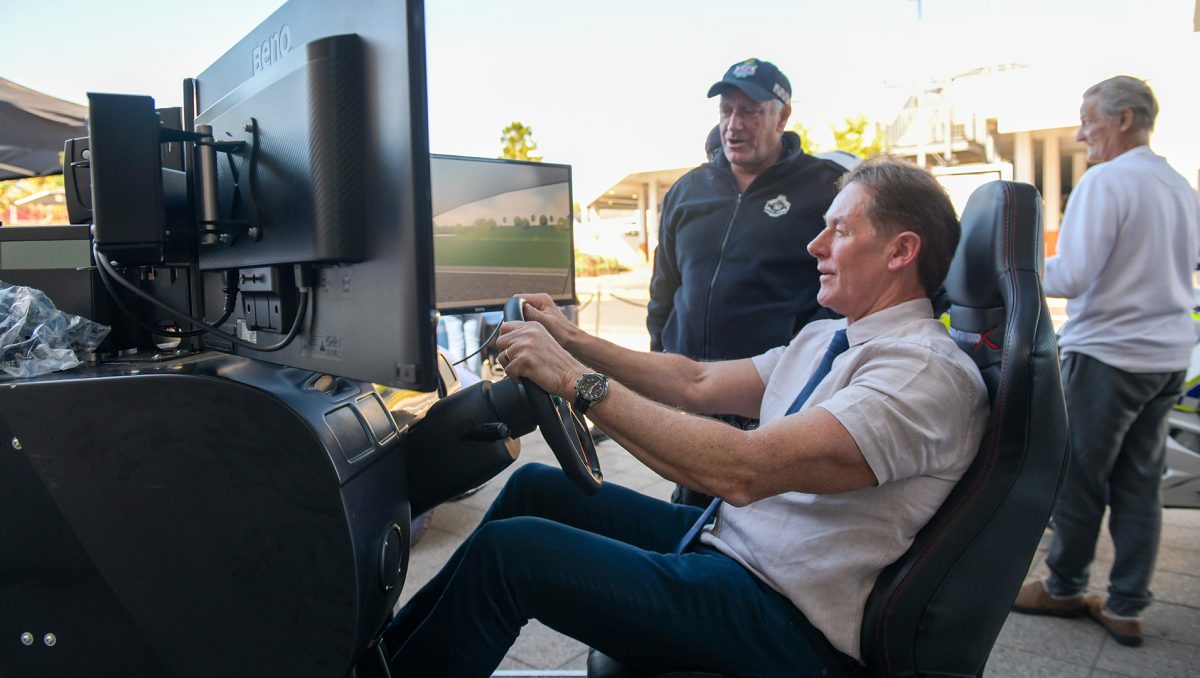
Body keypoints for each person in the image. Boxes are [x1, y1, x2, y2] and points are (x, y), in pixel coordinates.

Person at [383, 157, 989, 676]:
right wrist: (571, 339)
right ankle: (383, 659)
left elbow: (743, 471)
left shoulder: (920, 373)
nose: (815, 246)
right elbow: (695, 382)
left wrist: (572, 381)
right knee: (536, 488)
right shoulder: (831, 339)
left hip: (782, 617)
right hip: (724, 550)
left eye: (840, 231)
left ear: (901, 250)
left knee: (514, 555)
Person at [1012, 76, 1200, 647]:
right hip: (1167, 356)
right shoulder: (1180, 186)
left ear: (1123, 120)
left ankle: (1065, 587)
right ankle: (1126, 604)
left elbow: (1072, 275)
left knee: (1080, 478)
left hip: (1110, 355)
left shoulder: (1106, 181)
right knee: (1139, 481)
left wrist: (1018, 259)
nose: (1080, 132)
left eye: (1088, 117)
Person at [647, 58, 844, 507]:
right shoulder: (687, 190)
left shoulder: (824, 187)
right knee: (690, 511)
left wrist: (804, 360)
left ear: (783, 115)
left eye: (751, 111)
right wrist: (660, 357)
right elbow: (665, 287)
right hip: (690, 393)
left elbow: (845, 291)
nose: (735, 125)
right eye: (727, 111)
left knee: (753, 517)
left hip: (770, 399)